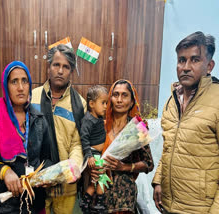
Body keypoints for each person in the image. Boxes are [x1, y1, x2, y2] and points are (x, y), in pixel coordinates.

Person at [0, 61, 53, 214]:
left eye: (24, 81)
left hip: (34, 205)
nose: (20, 87)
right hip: (3, 206)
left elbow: (47, 159)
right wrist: (3, 170)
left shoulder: (39, 119)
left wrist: (44, 176)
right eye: (14, 82)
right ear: (5, 85)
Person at [152, 31, 219, 213]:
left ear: (209, 66)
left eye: (195, 60)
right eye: (181, 60)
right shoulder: (172, 101)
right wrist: (158, 180)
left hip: (201, 208)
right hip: (169, 204)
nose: (186, 67)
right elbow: (168, 148)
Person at [31, 44, 87, 214]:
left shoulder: (80, 105)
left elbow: (78, 143)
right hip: (36, 182)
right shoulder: (32, 97)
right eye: (56, 65)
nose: (60, 71)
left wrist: (72, 169)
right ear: (48, 67)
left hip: (65, 188)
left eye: (66, 67)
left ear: (71, 71)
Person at [93, 80, 154, 214]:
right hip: (99, 198)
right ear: (110, 98)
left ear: (132, 101)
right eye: (115, 95)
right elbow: (88, 155)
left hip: (124, 199)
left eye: (124, 95)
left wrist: (125, 167)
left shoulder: (137, 129)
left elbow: (149, 164)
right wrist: (91, 168)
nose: (119, 100)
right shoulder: (100, 126)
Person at [79, 85, 108, 213]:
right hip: (94, 155)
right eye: (103, 103)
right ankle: (99, 204)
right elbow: (84, 139)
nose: (106, 106)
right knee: (100, 179)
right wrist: (89, 156)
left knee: (94, 181)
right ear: (91, 103)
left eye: (106, 103)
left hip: (99, 154)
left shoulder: (99, 118)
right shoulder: (88, 120)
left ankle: (85, 202)